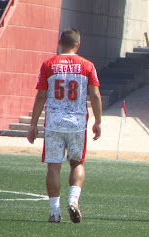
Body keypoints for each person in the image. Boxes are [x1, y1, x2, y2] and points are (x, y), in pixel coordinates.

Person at [27, 28, 102, 224]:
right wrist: (98, 121)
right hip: (77, 123)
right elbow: (94, 95)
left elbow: (41, 95)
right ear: (78, 45)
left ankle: (55, 213)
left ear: (60, 43)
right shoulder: (87, 65)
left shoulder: (48, 64)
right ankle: (73, 201)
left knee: (53, 167)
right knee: (77, 163)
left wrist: (33, 124)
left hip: (53, 123)